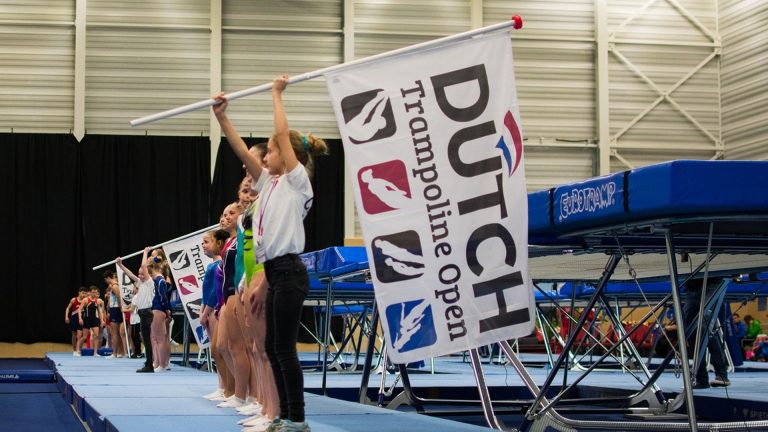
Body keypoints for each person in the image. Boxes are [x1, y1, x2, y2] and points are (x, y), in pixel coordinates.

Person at [214, 74, 328, 432]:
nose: (267, 155)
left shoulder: (297, 183)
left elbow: (281, 134)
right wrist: (222, 118)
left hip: (291, 272)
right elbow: (243, 154)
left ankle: (297, 418)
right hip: (275, 272)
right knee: (276, 348)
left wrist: (277, 94)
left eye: (273, 150)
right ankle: (280, 414)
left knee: (284, 350)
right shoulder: (271, 184)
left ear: (289, 155)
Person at [199, 228, 234, 401]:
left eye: (206, 242)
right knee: (216, 351)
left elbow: (214, 291)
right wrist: (202, 307)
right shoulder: (212, 264)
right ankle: (221, 386)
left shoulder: (219, 263)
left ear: (218, 243)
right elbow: (206, 291)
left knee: (218, 349)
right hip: (209, 308)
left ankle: (226, 387)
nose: (203, 246)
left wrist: (206, 311)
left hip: (214, 309)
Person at [683, 277, 730, 388]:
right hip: (692, 285)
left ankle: (722, 375)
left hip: (712, 282)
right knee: (691, 332)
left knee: (706, 329)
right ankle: (701, 379)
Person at [117, 248, 155, 372]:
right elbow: (130, 275)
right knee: (145, 339)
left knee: (147, 339)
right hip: (142, 312)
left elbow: (144, 265)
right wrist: (120, 265)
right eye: (139, 273)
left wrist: (145, 252)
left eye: (142, 273)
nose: (140, 275)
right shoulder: (141, 283)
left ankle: (149, 365)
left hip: (147, 312)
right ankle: (149, 363)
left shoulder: (149, 282)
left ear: (148, 274)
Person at [148, 257, 172, 372]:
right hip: (155, 308)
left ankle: (162, 365)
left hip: (159, 309)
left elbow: (163, 297)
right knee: (155, 338)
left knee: (161, 338)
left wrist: (167, 309)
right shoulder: (154, 280)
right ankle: (157, 363)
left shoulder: (161, 280)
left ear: (152, 268)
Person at [103, 270, 127, 358]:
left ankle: (115, 353)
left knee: (114, 333)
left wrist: (120, 307)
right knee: (116, 333)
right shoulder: (114, 285)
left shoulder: (114, 286)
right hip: (114, 309)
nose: (106, 282)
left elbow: (118, 296)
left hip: (116, 309)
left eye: (106, 280)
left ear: (108, 278)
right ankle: (120, 352)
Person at [78, 286, 106, 355]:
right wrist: (80, 318)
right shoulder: (85, 300)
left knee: (96, 336)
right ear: (90, 292)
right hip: (87, 319)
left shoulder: (98, 301)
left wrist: (102, 321)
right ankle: (78, 350)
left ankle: (95, 352)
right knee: (84, 337)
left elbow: (99, 312)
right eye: (93, 292)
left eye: (95, 292)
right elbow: (79, 309)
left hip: (94, 320)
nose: (94, 294)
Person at [65, 287, 87, 356]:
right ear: (79, 292)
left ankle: (78, 350)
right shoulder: (74, 300)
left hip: (81, 319)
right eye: (83, 293)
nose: (84, 295)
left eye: (85, 293)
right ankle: (74, 349)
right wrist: (66, 316)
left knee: (79, 335)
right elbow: (68, 308)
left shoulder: (85, 301)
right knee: (74, 335)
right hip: (74, 319)